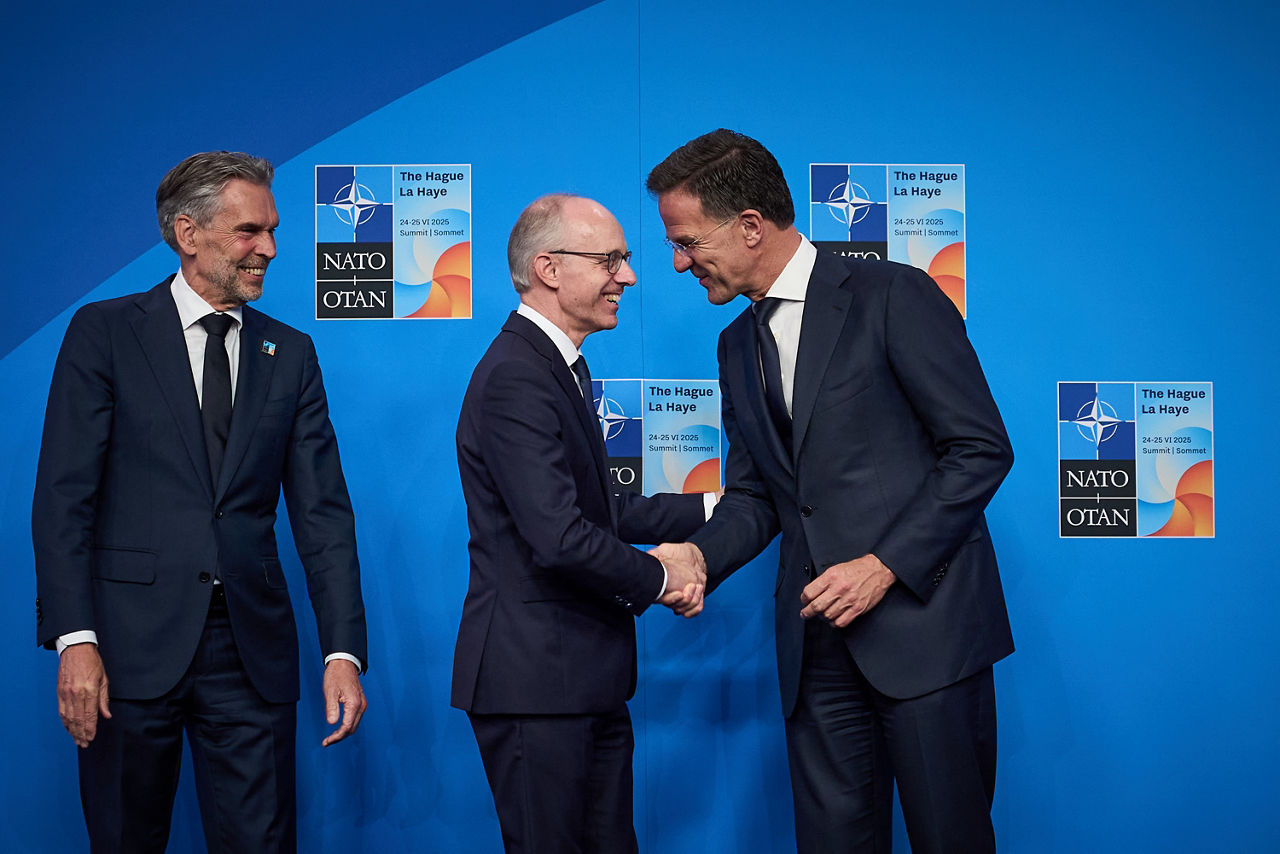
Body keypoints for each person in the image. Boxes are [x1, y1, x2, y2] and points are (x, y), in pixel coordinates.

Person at [647, 129, 1015, 854]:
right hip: (815, 655)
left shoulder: (894, 294)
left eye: (688, 241)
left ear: (750, 226)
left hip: (925, 636)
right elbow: (758, 498)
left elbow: (979, 449)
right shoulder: (735, 344)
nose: (680, 262)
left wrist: (882, 567)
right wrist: (695, 560)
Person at [32, 151, 368, 854]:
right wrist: (76, 640)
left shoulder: (292, 353)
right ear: (188, 233)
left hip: (251, 652)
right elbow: (64, 499)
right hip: (125, 650)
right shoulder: (105, 333)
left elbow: (323, 515)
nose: (270, 248)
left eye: (272, 230)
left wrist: (342, 650)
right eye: (249, 231)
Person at [452, 194, 709, 853]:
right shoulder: (517, 376)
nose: (628, 276)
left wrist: (720, 507)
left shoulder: (559, 368)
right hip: (538, 684)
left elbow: (598, 510)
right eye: (611, 260)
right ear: (550, 268)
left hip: (579, 681)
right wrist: (662, 575)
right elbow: (559, 537)